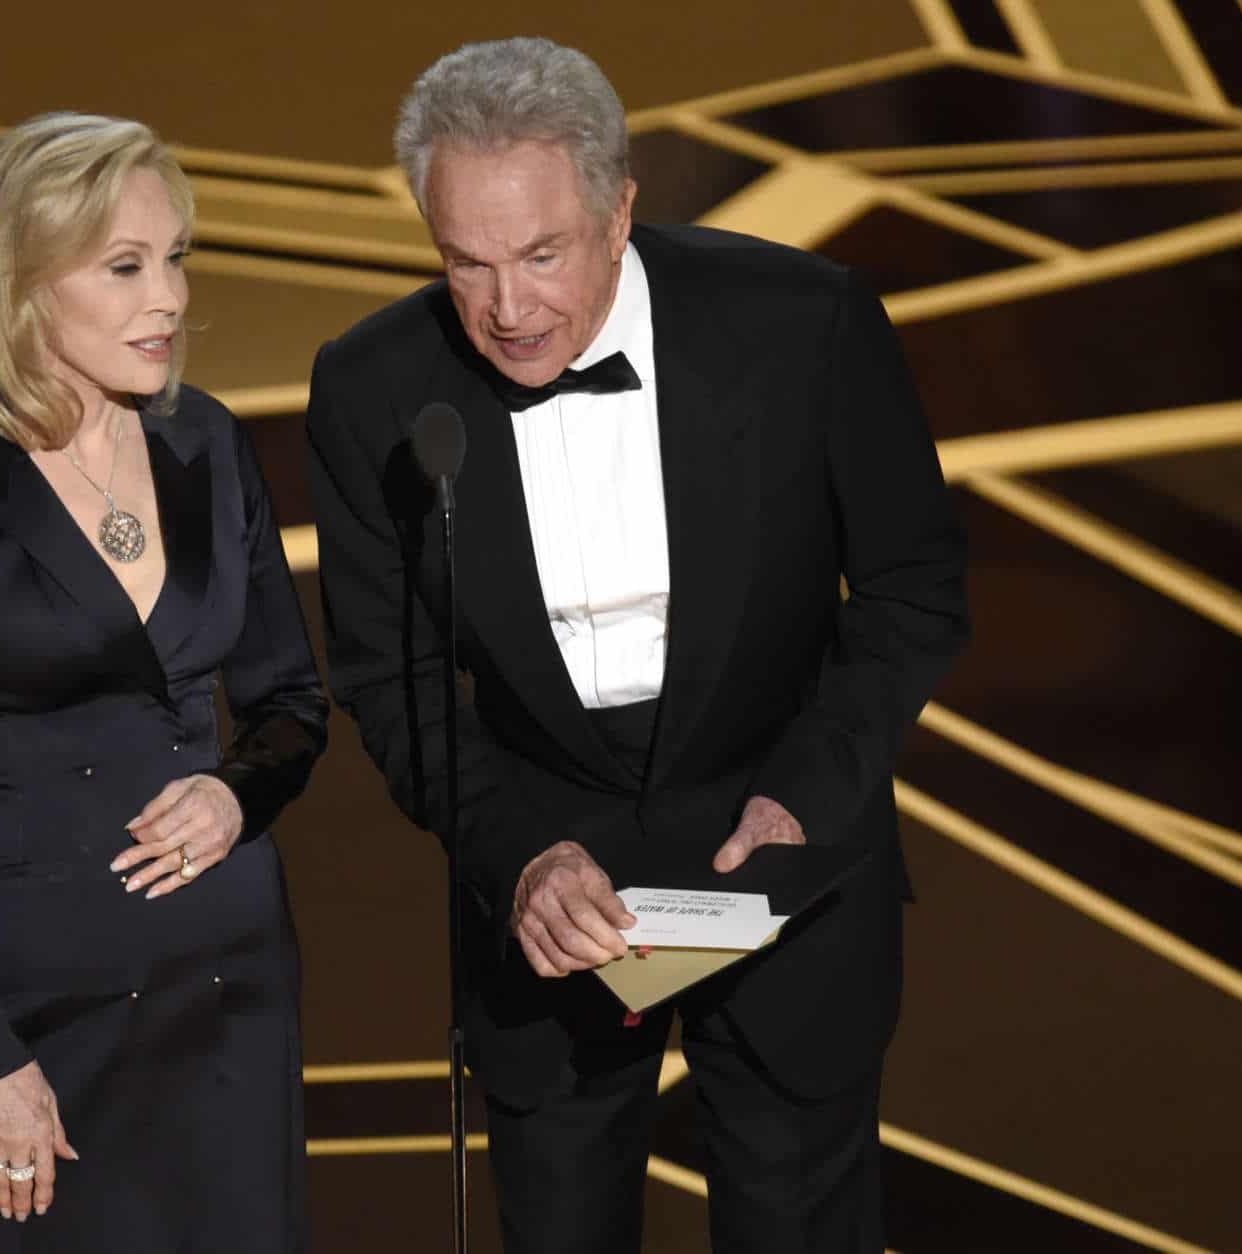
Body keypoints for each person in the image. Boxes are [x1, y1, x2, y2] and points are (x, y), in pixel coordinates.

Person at [305, 38, 969, 1254]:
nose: (507, 310)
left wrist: (803, 792)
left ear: (617, 212)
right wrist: (516, 857)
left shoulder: (802, 323)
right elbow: (390, 677)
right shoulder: (369, 388)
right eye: (464, 263)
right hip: (548, 896)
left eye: (540, 255)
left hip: (785, 867)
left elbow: (911, 590)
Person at [0, 111, 325, 1251]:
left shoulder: (208, 444)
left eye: (175, 258)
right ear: (18, 284)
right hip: (28, 1021)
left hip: (228, 997)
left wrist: (236, 794)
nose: (170, 299)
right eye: (125, 267)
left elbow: (289, 705)